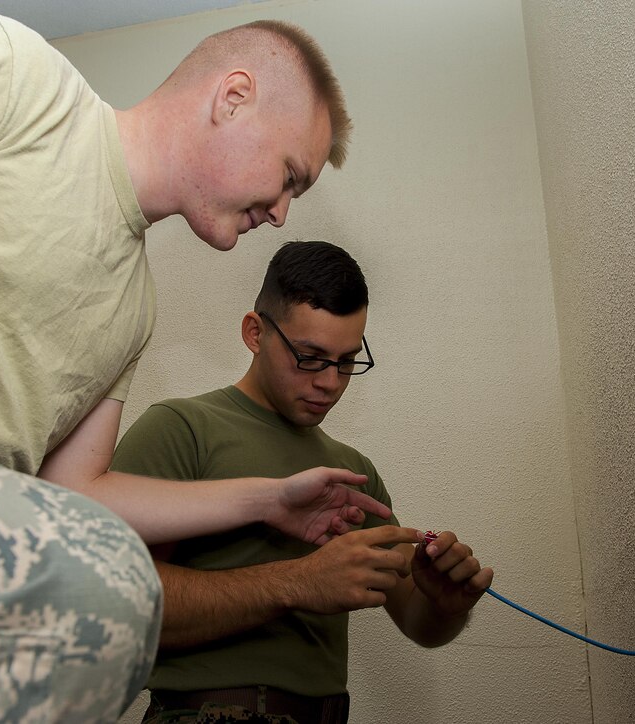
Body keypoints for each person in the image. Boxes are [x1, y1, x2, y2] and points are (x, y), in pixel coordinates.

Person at [0, 12, 377, 721]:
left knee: (102, 593)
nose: (279, 212)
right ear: (232, 97)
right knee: (107, 583)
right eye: (288, 177)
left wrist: (270, 500)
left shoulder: (133, 306)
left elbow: (77, 496)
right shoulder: (12, 76)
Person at [111, 241, 495, 724]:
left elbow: (419, 622)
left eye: (346, 360)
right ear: (255, 333)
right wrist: (299, 582)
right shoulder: (181, 429)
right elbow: (117, 604)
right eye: (310, 357)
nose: (330, 382)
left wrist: (445, 606)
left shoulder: (355, 472)